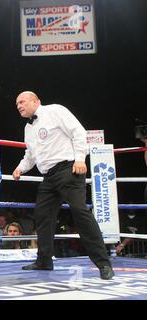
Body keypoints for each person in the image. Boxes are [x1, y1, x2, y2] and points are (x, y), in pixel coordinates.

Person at [12, 91, 114, 280]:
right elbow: (31, 155)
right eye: (16, 103)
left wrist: (80, 159)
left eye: (22, 101)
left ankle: (103, 263)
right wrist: (20, 168)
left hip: (69, 169)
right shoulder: (28, 129)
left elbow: (78, 132)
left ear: (36, 101)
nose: (18, 106)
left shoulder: (55, 111)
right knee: (42, 216)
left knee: (80, 212)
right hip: (48, 177)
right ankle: (44, 260)